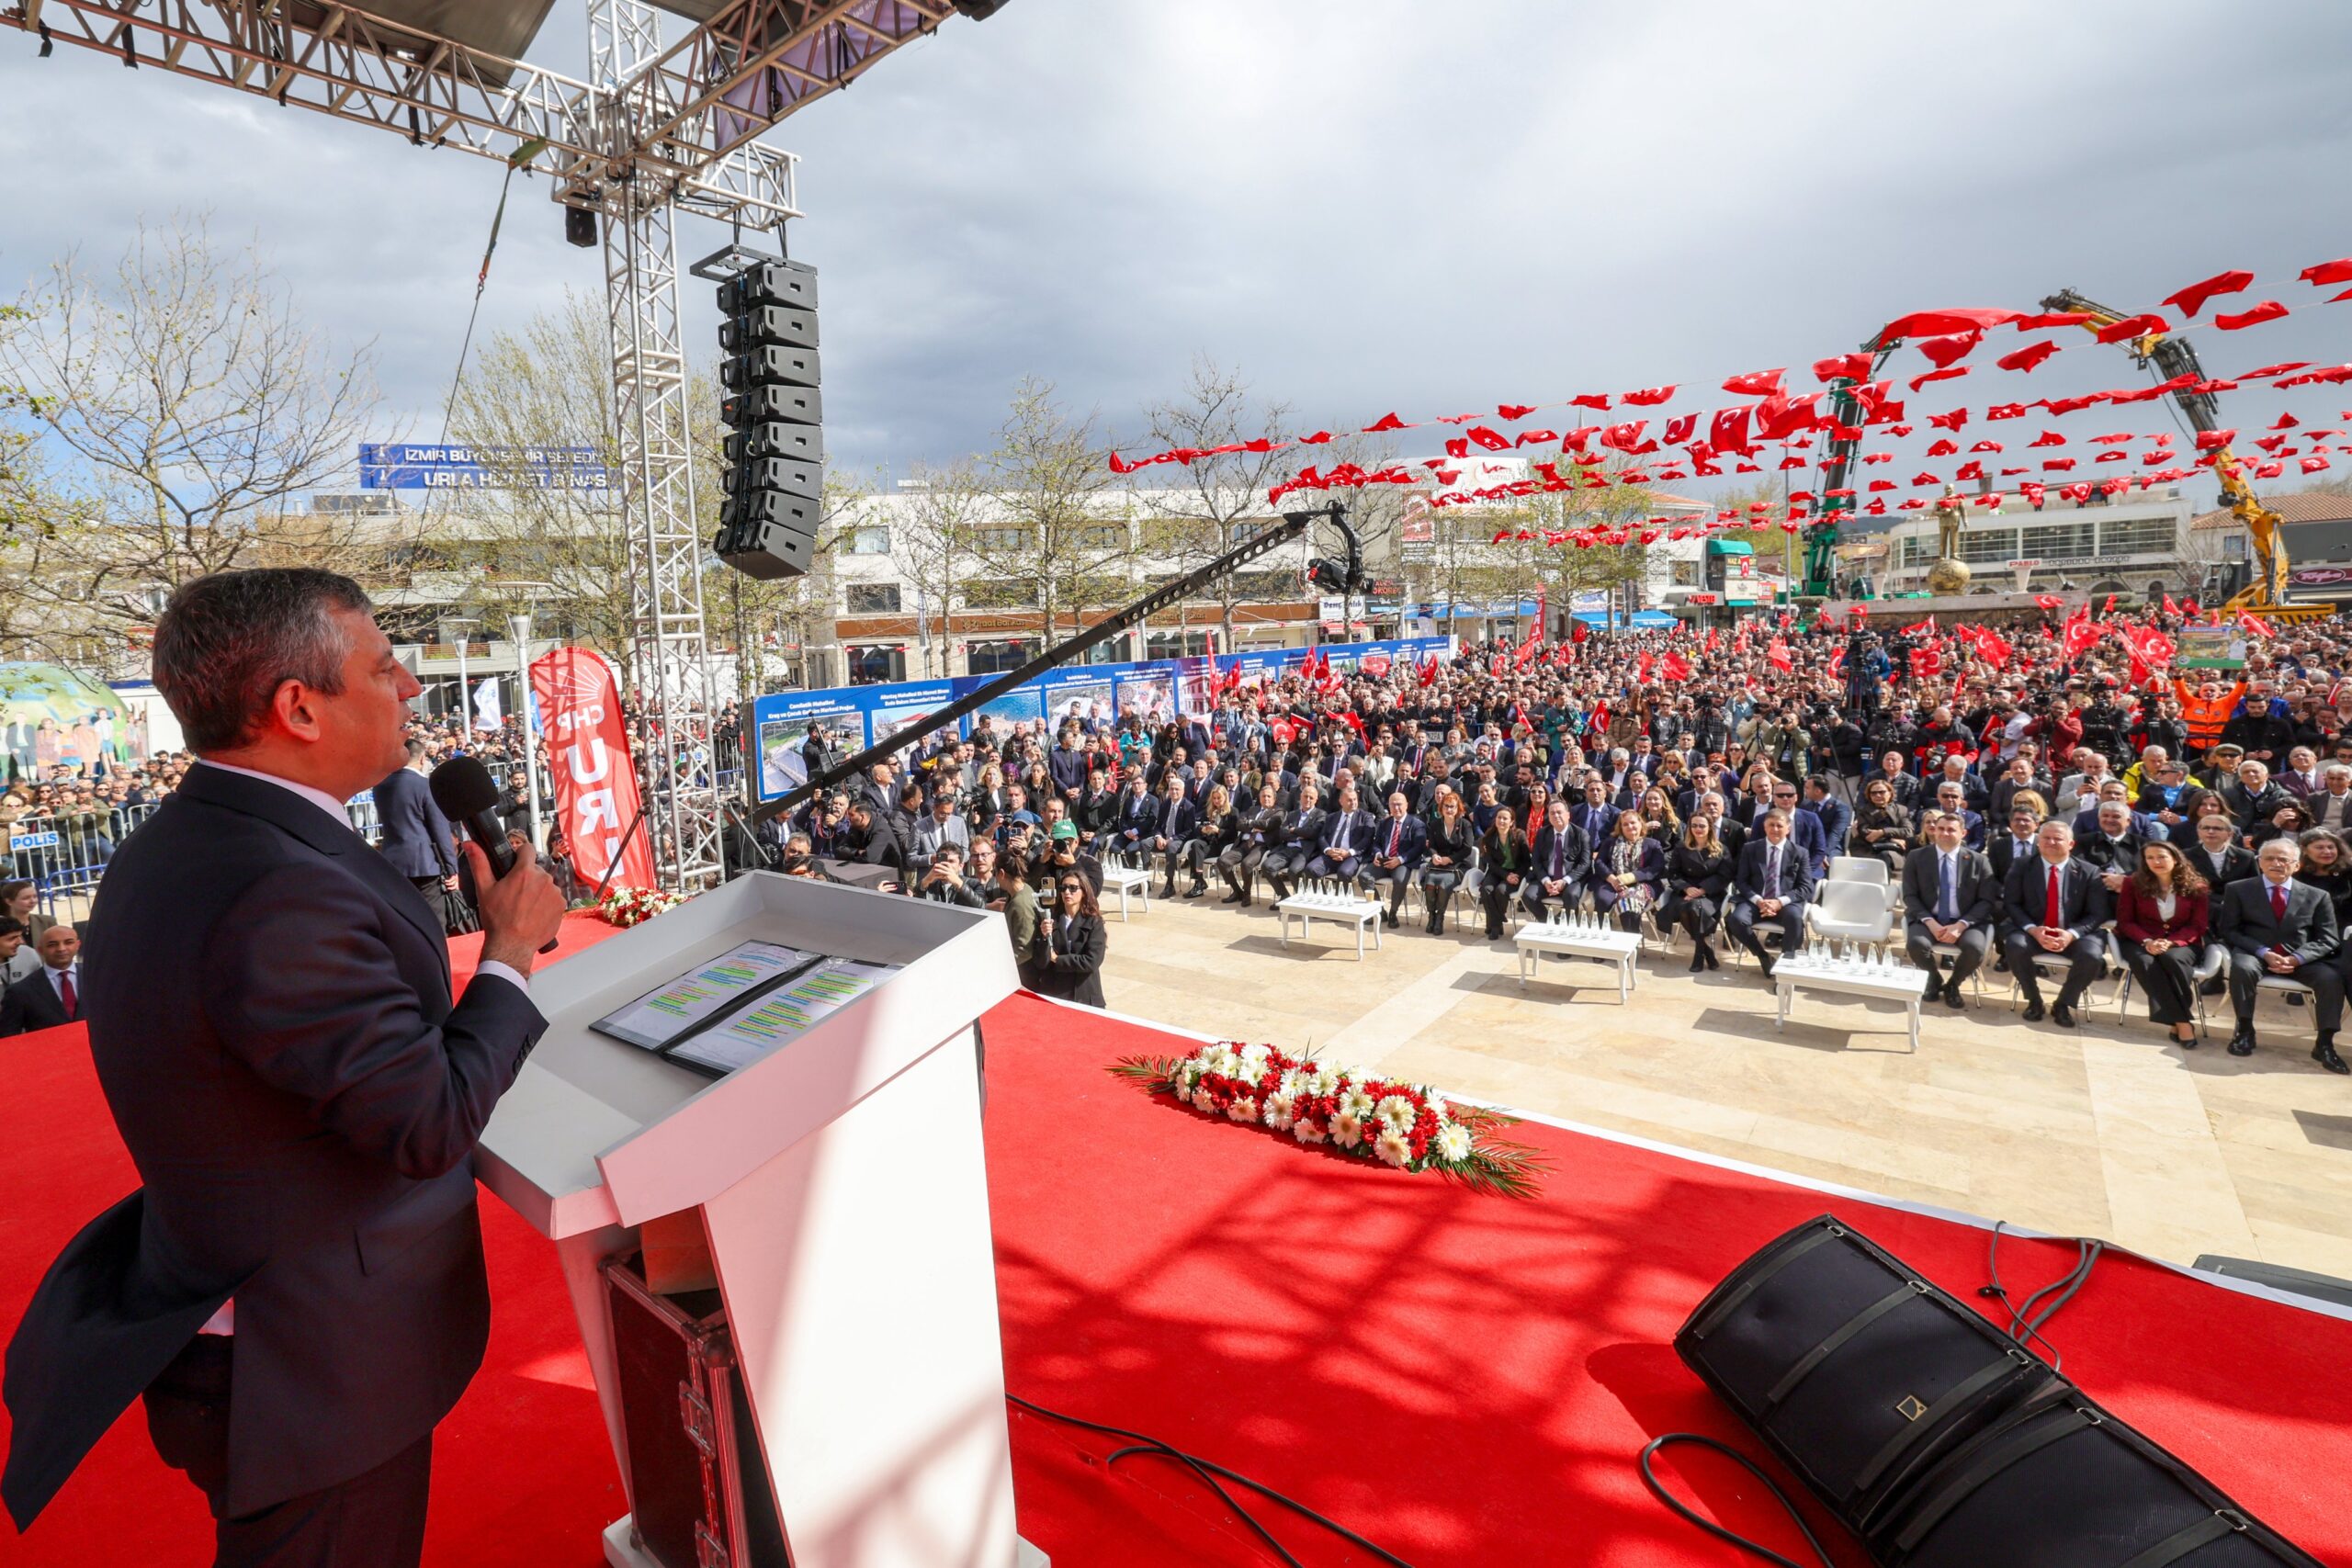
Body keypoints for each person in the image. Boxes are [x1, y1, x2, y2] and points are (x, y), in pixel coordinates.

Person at [3, 569, 564, 1563]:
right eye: (385, 667)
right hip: (307, 1364)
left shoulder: (187, 841)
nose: (411, 689)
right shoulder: (276, 886)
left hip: (249, 1318)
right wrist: (510, 957)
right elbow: (424, 1122)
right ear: (298, 708)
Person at [2215, 837, 2347, 1073]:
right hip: (2255, 952)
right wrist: (2263, 952)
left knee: (2330, 978)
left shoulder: (2317, 896)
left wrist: (2298, 958)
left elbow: (2329, 938)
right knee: (2242, 968)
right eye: (2270, 858)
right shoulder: (2239, 889)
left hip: (2300, 957)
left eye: (2284, 859)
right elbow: (2229, 930)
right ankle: (2245, 1030)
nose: (2277, 863)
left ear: (2296, 865)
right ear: (2260, 862)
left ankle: (2325, 1043)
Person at [2000, 820, 2109, 1028]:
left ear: (2070, 844)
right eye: (2045, 838)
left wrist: (2071, 934)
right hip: (2033, 930)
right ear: (2038, 842)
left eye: (2057, 838)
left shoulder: (2089, 871)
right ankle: (2034, 1000)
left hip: (2074, 932)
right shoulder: (2022, 865)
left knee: (2092, 956)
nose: (2050, 842)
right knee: (2015, 946)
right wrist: (2033, 929)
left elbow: (2098, 913)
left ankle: (2064, 1003)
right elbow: (2011, 903)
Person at [2115, 841, 2209, 1047]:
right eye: (2150, 858)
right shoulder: (2132, 883)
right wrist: (2147, 941)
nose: (2155, 862)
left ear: (2175, 859)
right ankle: (2183, 1022)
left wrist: (2171, 942)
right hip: (2139, 939)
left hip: (2182, 942)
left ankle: (2177, 1019)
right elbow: (2125, 921)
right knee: (2146, 963)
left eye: (2161, 856)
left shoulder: (2197, 887)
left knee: (2172, 960)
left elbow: (2197, 926)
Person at [1901, 810, 1998, 1010]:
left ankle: (1953, 984)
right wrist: (1931, 922)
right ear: (1934, 831)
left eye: (1951, 830)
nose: (1945, 833)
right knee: (1917, 944)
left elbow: (1986, 900)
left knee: (1975, 949)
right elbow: (1910, 896)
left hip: (1966, 920)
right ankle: (1934, 979)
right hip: (1928, 918)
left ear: (1963, 833)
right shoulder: (1916, 857)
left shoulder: (1979, 861)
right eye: (1940, 829)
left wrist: (1961, 926)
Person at [1726, 808, 1814, 977]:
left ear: (1788, 828)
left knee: (1795, 920)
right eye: (1771, 825)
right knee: (1736, 920)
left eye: (1779, 825)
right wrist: (1759, 900)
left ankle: (1786, 966)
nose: (1775, 829)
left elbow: (1805, 887)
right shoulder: (1750, 849)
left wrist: (1779, 902)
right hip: (1756, 902)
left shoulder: (1800, 853)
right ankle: (1763, 956)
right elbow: (1741, 881)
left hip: (1785, 903)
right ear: (1764, 827)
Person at [1661, 813, 1734, 972]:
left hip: (1711, 893)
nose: (1698, 829)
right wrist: (1686, 888)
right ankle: (1706, 952)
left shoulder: (1721, 849)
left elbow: (1724, 876)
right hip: (1684, 891)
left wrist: (1702, 889)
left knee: (1693, 907)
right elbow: (1673, 873)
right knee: (1688, 907)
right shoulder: (1681, 847)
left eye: (1702, 826)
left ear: (1710, 828)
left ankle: (1699, 955)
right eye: (1694, 825)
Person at [1033, 870, 1108, 1008]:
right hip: (1055, 993)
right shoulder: (1051, 920)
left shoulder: (1094, 922)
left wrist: (1058, 959)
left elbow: (1092, 961)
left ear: (1084, 891)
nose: (1067, 892)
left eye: (1073, 888)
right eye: (1063, 888)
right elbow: (1040, 962)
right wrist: (1044, 938)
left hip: (1082, 995)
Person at [1, 922, 84, 1034]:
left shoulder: (98, 977)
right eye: (52, 944)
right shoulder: (20, 991)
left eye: (68, 942)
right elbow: (8, 1037)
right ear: (40, 949)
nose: (61, 949)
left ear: (78, 945)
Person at [1592, 808, 1664, 933]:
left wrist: (1628, 878)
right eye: (1625, 824)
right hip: (1611, 881)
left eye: (1633, 823)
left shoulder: (1653, 844)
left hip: (1643, 884)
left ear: (1640, 824)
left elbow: (1655, 869)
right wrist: (1613, 879)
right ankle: (1601, 936)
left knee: (1629, 900)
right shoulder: (1610, 842)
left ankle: (1631, 938)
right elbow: (1599, 862)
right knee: (1603, 900)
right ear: (1620, 827)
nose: (1630, 826)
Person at [1363, 791, 1426, 929]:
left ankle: (1393, 913)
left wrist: (1400, 859)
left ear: (1407, 806)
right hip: (1383, 860)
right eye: (1393, 805)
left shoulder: (1417, 824)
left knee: (1399, 880)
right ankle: (1379, 910)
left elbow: (1418, 848)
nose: (1396, 808)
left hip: (1403, 862)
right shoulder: (1385, 823)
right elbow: (1376, 843)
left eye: (1399, 804)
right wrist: (1378, 854)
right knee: (1364, 876)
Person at [1522, 797, 1591, 922]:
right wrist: (1545, 880)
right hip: (1548, 878)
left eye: (1559, 812)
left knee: (1571, 895)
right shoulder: (1543, 833)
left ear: (1568, 815)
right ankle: (1550, 922)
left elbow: (1585, 863)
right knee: (1528, 896)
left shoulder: (1581, 834)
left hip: (1571, 879)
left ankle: (1568, 925)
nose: (1556, 815)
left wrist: (1564, 881)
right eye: (1552, 813)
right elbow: (1536, 860)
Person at [1418, 791, 1476, 934]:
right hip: (1438, 864)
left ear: (1458, 809)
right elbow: (1431, 845)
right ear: (1441, 808)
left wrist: (1450, 859)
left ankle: (1440, 918)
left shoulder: (1465, 824)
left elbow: (1468, 849)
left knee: (1445, 883)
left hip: (1458, 864)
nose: (1449, 810)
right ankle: (1431, 915)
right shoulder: (1435, 824)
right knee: (1430, 882)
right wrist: (1434, 855)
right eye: (1446, 806)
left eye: (1452, 807)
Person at [1478, 805, 1531, 942]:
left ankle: (1493, 925)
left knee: (1501, 891)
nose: (1501, 821)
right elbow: (1491, 863)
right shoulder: (1489, 837)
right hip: (1498, 872)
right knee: (1486, 889)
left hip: (1516, 873)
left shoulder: (1519, 835)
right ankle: (1498, 922)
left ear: (1512, 822)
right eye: (1499, 817)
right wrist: (1505, 875)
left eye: (1505, 818)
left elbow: (1526, 861)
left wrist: (1516, 875)